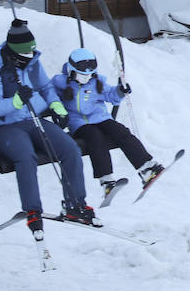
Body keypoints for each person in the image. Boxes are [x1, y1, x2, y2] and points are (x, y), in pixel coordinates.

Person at [0, 20, 94, 233]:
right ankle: (33, 210)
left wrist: (57, 107)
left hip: (33, 120)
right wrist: (15, 101)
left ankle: (75, 204)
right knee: (26, 156)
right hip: (5, 128)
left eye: (31, 55)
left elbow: (46, 86)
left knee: (70, 148)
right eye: (24, 57)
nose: (30, 60)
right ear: (13, 53)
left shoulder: (32, 62)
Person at [51, 48, 162, 202]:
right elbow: (51, 99)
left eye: (89, 74)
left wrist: (120, 91)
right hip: (79, 123)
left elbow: (110, 95)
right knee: (95, 138)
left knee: (120, 131)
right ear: (71, 71)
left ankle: (147, 167)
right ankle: (107, 180)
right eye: (82, 75)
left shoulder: (96, 82)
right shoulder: (60, 84)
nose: (86, 78)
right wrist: (58, 112)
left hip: (100, 117)